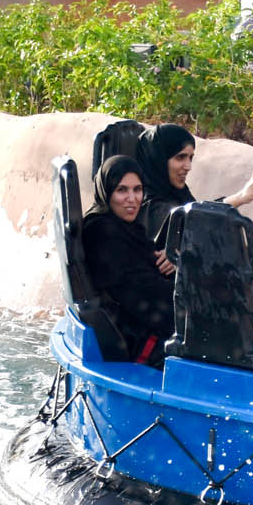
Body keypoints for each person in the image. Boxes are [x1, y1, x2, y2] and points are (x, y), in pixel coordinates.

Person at [79, 155, 176, 362]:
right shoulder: (102, 233)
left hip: (140, 326)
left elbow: (146, 265)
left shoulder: (124, 228)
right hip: (138, 341)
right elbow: (143, 293)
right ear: (107, 191)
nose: (132, 199)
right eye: (122, 190)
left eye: (137, 189)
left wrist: (173, 260)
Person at [135, 123, 253, 242]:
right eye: (180, 157)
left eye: (190, 158)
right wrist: (241, 196)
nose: (188, 166)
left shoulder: (177, 194)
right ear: (157, 159)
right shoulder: (145, 204)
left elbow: (198, 217)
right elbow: (190, 220)